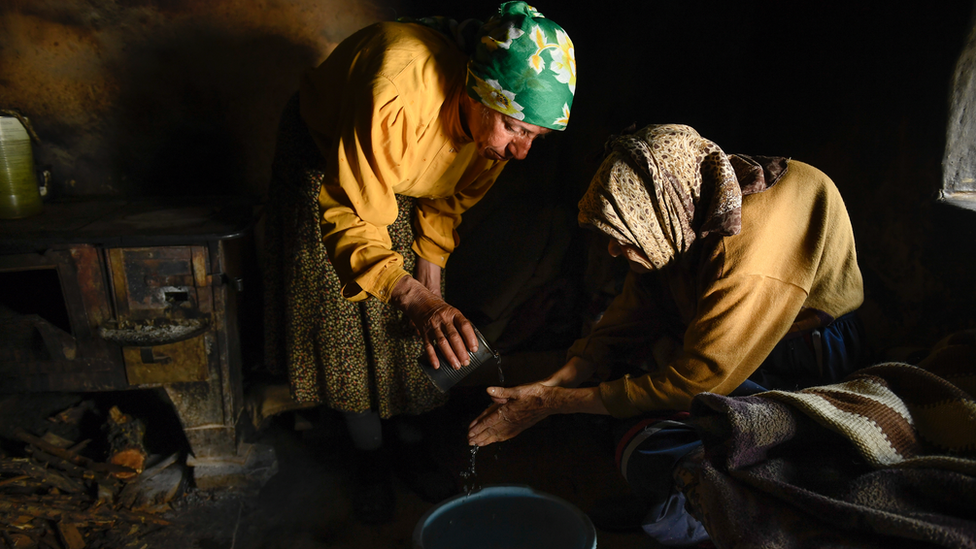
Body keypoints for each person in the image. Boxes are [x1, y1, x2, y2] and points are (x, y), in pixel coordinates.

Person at [467, 124, 865, 544]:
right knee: (623, 404)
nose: (613, 251)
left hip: (795, 352)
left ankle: (703, 514)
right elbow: (629, 315)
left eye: (622, 237)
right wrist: (552, 384)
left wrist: (553, 404)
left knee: (656, 441)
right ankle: (672, 496)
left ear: (659, 215)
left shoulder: (748, 256)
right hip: (721, 339)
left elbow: (700, 379)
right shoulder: (684, 212)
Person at [262, 2, 576, 524]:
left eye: (535, 139)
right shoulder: (396, 91)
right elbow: (353, 215)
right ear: (478, 92)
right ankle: (368, 458)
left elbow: (447, 202)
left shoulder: (489, 139)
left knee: (421, 324)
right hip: (330, 157)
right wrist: (412, 295)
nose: (521, 152)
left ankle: (410, 439)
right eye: (514, 129)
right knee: (347, 317)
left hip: (406, 164)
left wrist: (429, 286)